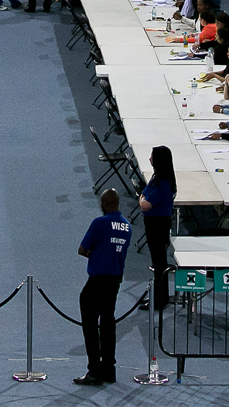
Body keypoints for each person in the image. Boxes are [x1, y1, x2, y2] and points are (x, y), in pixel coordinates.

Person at [74, 188, 131, 386]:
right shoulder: (126, 226)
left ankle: (94, 370)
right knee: (108, 323)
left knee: (90, 324)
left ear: (105, 204)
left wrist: (95, 254)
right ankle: (109, 370)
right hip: (115, 279)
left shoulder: (99, 223)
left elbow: (82, 249)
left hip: (97, 279)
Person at [138, 147, 176, 310]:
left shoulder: (163, 183)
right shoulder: (157, 178)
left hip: (158, 225)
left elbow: (144, 203)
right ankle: (161, 297)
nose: (149, 159)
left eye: (152, 157)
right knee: (158, 262)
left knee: (159, 264)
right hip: (154, 223)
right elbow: (143, 194)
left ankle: (160, 300)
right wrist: (142, 199)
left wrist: (141, 201)